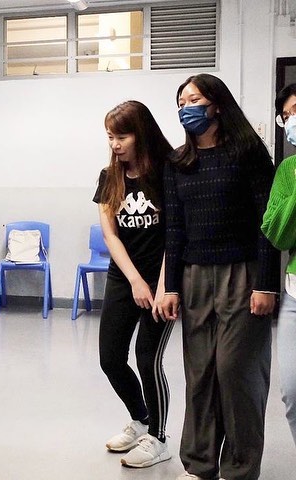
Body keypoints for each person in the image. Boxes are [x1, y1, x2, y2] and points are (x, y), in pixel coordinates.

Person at [158, 73, 280, 480]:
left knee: (235, 371)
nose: (186, 109)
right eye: (181, 102)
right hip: (194, 276)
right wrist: (170, 286)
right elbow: (174, 228)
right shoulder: (177, 162)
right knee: (199, 374)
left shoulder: (248, 152)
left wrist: (266, 283)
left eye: (194, 100)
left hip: (243, 274)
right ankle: (199, 464)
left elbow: (266, 223)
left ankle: (240, 469)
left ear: (217, 105)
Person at [93, 101, 174, 468]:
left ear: (141, 134)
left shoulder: (167, 172)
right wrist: (135, 281)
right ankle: (140, 419)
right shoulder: (109, 176)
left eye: (122, 136)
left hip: (163, 278)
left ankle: (158, 437)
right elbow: (110, 234)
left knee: (147, 358)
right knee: (110, 358)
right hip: (125, 277)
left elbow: (175, 235)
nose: (115, 144)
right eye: (110, 137)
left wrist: (162, 286)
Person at [261, 82, 296, 449]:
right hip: (294, 296)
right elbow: (277, 233)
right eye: (287, 116)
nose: (291, 120)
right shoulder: (288, 169)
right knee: (293, 393)